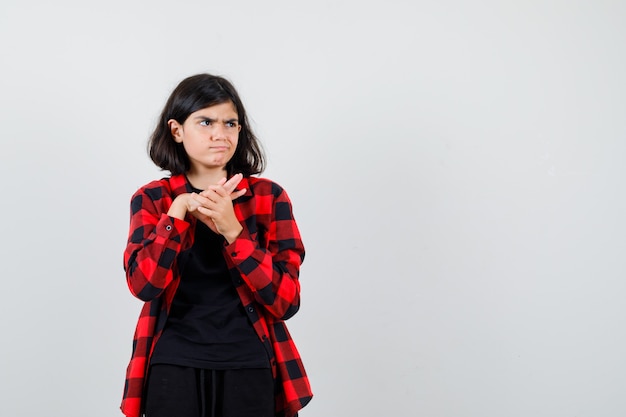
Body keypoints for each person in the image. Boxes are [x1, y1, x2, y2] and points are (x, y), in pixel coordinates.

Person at [120, 74, 312, 417]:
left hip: (251, 362)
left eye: (230, 123)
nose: (220, 134)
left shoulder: (269, 198)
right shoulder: (152, 199)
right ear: (177, 130)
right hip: (173, 363)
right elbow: (144, 285)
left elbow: (286, 301)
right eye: (205, 121)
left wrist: (234, 232)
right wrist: (177, 214)